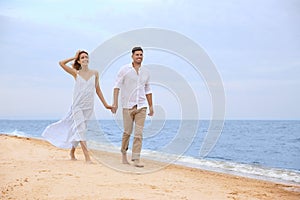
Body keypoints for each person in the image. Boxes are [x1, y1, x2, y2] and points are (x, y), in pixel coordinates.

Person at [42, 50, 112, 163]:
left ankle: (72, 151)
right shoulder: (76, 73)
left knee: (80, 130)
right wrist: (73, 57)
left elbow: (98, 90)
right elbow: (61, 63)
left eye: (86, 57)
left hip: (89, 107)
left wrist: (106, 105)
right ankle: (87, 158)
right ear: (79, 61)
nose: (85, 59)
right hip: (77, 106)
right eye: (82, 57)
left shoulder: (95, 73)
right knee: (81, 130)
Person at [111, 46, 154, 167]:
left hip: (142, 106)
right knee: (127, 132)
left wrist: (151, 106)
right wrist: (115, 103)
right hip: (127, 106)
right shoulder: (124, 70)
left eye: (141, 55)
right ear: (132, 56)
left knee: (139, 134)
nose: (139, 57)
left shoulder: (146, 72)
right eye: (137, 55)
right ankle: (124, 154)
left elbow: (148, 89)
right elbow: (116, 86)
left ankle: (136, 159)